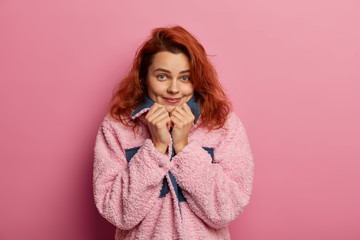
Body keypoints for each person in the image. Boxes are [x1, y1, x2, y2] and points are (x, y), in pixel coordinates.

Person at [93, 25, 254, 240]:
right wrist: (156, 149)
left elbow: (225, 210)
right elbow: (117, 213)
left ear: (198, 80)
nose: (174, 89)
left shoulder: (223, 126)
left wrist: (184, 147)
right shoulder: (117, 127)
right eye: (162, 76)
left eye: (185, 78)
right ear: (143, 77)